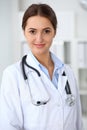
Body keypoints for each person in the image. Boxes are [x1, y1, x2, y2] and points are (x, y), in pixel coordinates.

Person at [0, 3, 84, 130]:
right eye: (32, 31)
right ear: (24, 32)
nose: (39, 39)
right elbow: (9, 126)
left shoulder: (67, 72)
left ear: (54, 32)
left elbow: (78, 124)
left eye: (46, 31)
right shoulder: (12, 75)